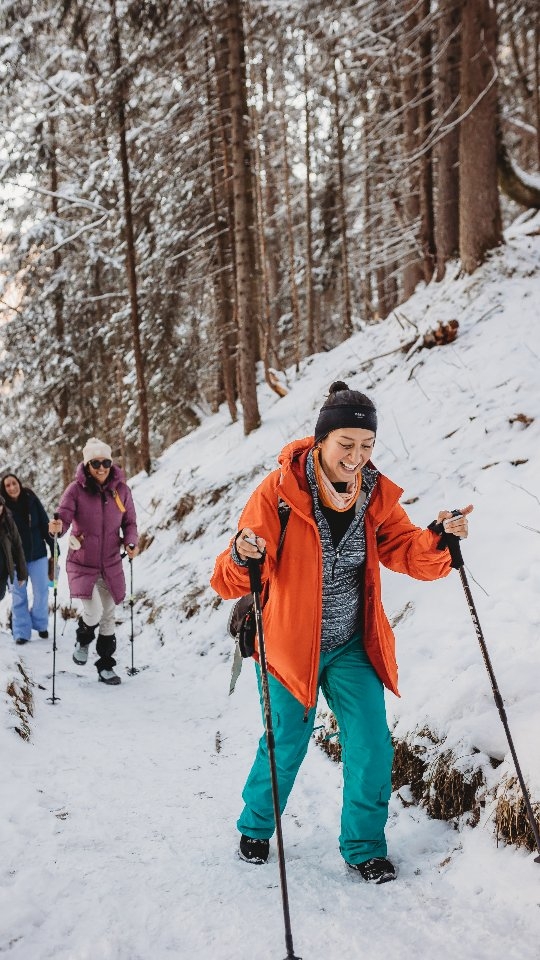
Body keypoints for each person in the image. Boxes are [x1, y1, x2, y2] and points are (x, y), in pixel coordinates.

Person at [211, 381, 473, 884]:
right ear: (322, 440)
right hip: (289, 644)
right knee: (287, 742)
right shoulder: (279, 493)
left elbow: (407, 550)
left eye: (366, 445)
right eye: (345, 444)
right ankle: (256, 826)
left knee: (372, 744)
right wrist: (242, 555)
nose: (356, 456)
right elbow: (229, 578)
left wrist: (439, 538)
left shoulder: (373, 494)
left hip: (352, 643)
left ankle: (364, 847)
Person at [48, 437, 139, 686]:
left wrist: (131, 542)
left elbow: (130, 523)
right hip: (82, 562)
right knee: (94, 611)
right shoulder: (75, 490)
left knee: (108, 614)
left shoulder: (121, 490)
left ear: (111, 463)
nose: (101, 468)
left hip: (111, 563)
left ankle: (106, 666)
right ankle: (83, 638)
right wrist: (57, 527)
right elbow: (63, 518)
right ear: (87, 465)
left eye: (105, 462)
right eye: (95, 463)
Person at [1, 473, 56, 645]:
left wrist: (54, 547)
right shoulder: (2, 507)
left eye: (14, 483)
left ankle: (40, 623)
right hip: (14, 561)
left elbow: (44, 523)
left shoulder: (31, 498)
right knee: (19, 596)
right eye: (7, 485)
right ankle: (21, 631)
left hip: (37, 555)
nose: (12, 487)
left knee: (42, 591)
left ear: (19, 483)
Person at [0, 494, 28, 624]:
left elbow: (17, 546)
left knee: (1, 595)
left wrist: (22, 573)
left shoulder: (8, 522)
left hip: (2, 572)